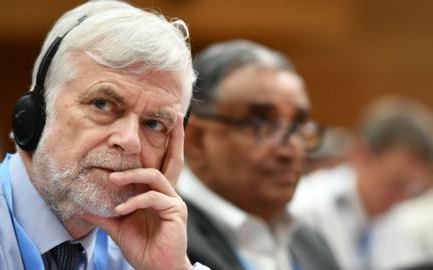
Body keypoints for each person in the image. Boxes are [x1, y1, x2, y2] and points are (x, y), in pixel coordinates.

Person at [0, 1, 210, 269]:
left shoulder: (137, 249)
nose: (130, 141)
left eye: (154, 124)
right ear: (37, 112)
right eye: (102, 104)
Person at [177, 39, 339, 270]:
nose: (291, 149)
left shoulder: (309, 243)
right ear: (196, 140)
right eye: (261, 123)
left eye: (299, 125)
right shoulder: (164, 244)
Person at [290, 96, 433, 270]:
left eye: (412, 188)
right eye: (396, 183)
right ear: (362, 154)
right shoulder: (304, 207)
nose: (401, 198)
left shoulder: (399, 219)